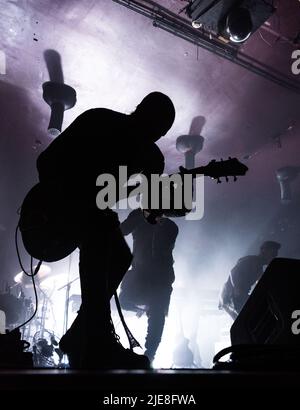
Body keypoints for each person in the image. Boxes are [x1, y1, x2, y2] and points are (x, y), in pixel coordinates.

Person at [19, 92, 183, 369]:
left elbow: (151, 210)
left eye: (161, 131)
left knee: (120, 256)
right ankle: (95, 340)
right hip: (56, 208)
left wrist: (174, 203)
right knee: (104, 238)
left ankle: (82, 334)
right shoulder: (99, 121)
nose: (155, 134)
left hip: (91, 214)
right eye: (155, 125)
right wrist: (74, 197)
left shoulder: (151, 158)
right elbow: (46, 162)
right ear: (140, 110)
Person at [119, 208, 178, 363]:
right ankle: (143, 311)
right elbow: (121, 231)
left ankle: (149, 355)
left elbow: (161, 248)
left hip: (160, 277)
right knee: (124, 300)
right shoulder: (139, 216)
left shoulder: (170, 227)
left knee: (157, 315)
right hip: (142, 274)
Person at [219, 241, 281, 320]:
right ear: (264, 250)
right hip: (230, 295)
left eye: (275, 255)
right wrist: (237, 287)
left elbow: (261, 283)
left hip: (235, 296)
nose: (273, 257)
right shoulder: (251, 260)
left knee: (248, 318)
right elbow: (233, 271)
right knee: (248, 318)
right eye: (272, 254)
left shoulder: (259, 268)